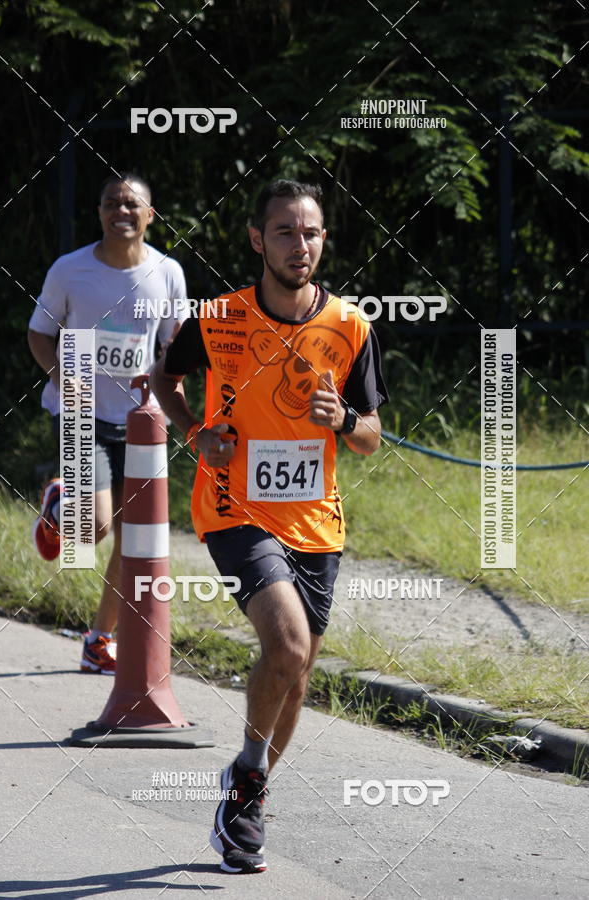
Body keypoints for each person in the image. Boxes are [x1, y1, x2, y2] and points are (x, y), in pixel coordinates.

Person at [152, 178, 388, 874]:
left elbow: (372, 434)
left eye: (311, 232)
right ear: (258, 240)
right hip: (233, 508)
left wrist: (342, 420)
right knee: (285, 646)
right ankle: (250, 777)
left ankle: (245, 794)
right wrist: (196, 431)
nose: (300, 244)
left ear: (324, 241)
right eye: (284, 231)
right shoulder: (218, 317)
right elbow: (165, 379)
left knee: (299, 671)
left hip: (316, 522)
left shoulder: (349, 327)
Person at [28, 172, 188, 674]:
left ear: (149, 215)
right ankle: (59, 505)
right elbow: (39, 335)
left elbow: (173, 348)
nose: (121, 211)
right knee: (93, 525)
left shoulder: (167, 272)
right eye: (110, 203)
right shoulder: (70, 270)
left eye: (131, 204)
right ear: (98, 213)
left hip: (141, 420)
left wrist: (175, 402)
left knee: (133, 538)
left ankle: (99, 640)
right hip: (80, 412)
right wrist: (63, 376)